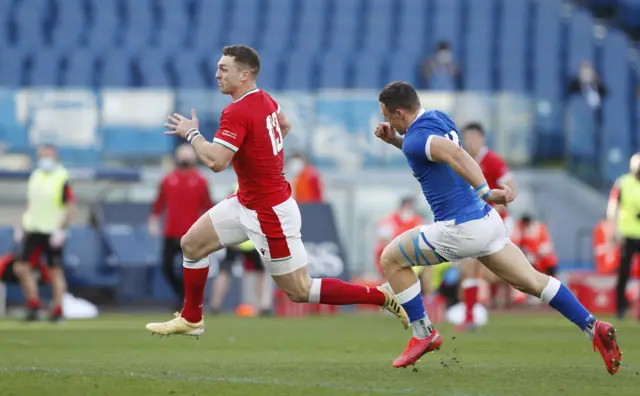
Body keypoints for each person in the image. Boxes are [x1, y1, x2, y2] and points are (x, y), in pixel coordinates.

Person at [146, 45, 408, 337]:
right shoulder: (266, 99)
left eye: (223, 69)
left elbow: (216, 161)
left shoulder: (237, 111)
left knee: (300, 290)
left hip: (270, 212)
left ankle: (382, 295)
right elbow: (285, 124)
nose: (216, 74)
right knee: (191, 244)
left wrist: (192, 133)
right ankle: (191, 318)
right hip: (246, 201)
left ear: (244, 75)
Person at [373, 81, 621, 374]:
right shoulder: (438, 119)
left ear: (400, 113)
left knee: (391, 259)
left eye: (387, 115)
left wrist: (485, 190)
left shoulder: (417, 138)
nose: (386, 120)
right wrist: (395, 141)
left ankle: (424, 333)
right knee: (533, 281)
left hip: (460, 227)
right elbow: (432, 152)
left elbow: (454, 155)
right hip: (487, 223)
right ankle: (594, 327)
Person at [456, 122, 517, 327]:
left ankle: (498, 304)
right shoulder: (461, 159)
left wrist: (494, 211)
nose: (469, 141)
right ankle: (470, 316)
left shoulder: (491, 160)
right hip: (473, 222)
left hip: (495, 222)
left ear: (482, 139)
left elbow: (511, 186)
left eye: (473, 137)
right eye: (467, 137)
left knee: (499, 273)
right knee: (468, 266)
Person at [14, 144, 74, 322]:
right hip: (33, 229)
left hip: (52, 230)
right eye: (42, 156)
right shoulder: (36, 176)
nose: (44, 159)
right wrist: (23, 224)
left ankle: (58, 309)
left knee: (54, 270)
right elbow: (31, 204)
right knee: (22, 267)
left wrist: (61, 229)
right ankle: (33, 304)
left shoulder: (62, 177)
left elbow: (70, 206)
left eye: (48, 155)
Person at [149, 144, 213, 308]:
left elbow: (208, 206)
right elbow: (159, 203)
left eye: (188, 157)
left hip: (192, 233)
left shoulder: (200, 181)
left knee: (192, 269)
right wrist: (154, 221)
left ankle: (190, 301)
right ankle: (181, 296)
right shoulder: (168, 180)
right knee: (167, 267)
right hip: (171, 232)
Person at [606, 152, 640, 319]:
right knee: (624, 273)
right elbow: (612, 207)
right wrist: (613, 230)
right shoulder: (623, 183)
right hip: (627, 235)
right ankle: (620, 308)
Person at [374, 196, 423, 276]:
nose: (409, 208)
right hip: (393, 256)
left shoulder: (417, 220)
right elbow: (382, 235)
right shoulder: (392, 219)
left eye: (411, 206)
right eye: (407, 205)